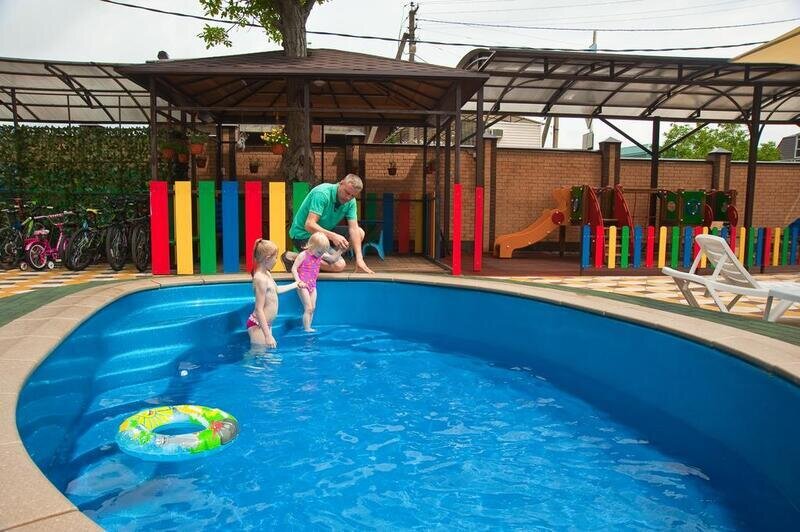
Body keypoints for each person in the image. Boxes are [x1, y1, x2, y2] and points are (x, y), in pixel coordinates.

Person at [284, 174, 375, 274]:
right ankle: (294, 257)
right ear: (341, 183)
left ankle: (329, 258)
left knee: (359, 233)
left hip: (324, 233)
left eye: (353, 195)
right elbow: (309, 225)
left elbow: (354, 229)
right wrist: (333, 236)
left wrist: (359, 259)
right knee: (339, 266)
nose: (348, 198)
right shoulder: (322, 194)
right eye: (347, 192)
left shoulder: (351, 202)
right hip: (303, 235)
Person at [247, 239, 303, 347]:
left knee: (266, 354)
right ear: (267, 259)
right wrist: (268, 336)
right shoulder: (260, 279)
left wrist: (295, 284)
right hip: (258, 325)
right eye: (275, 257)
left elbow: (276, 290)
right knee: (259, 354)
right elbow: (259, 309)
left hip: (265, 324)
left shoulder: (267, 273)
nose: (276, 260)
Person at [290, 232, 343, 332]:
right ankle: (306, 329)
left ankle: (309, 326)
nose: (321, 255)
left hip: (312, 285)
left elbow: (333, 259)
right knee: (308, 308)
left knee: (313, 307)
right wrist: (298, 282)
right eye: (320, 252)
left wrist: (341, 250)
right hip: (303, 285)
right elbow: (294, 269)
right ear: (311, 246)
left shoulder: (319, 254)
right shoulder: (303, 255)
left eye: (323, 252)